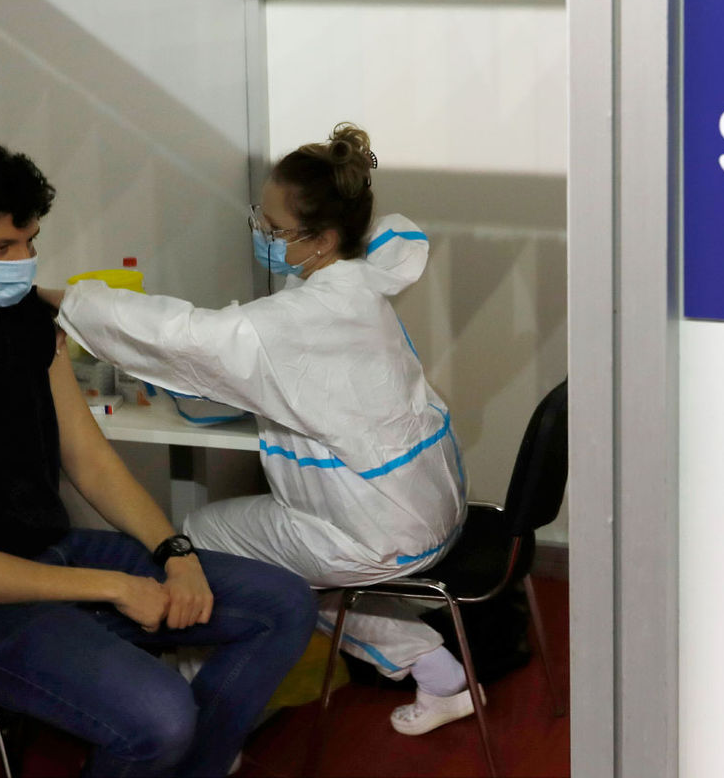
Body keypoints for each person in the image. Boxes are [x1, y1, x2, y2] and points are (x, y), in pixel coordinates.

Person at [53, 123, 473, 735]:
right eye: (261, 220)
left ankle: (204, 717)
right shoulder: (360, 277)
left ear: (324, 240)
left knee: (200, 542)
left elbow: (189, 336)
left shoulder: (308, 312)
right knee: (286, 566)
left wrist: (64, 300)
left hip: (378, 528)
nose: (262, 236)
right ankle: (439, 673)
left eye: (275, 230)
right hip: (430, 503)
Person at [0, 141, 317, 778]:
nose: (23, 262)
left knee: (283, 605)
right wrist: (116, 587)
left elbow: (88, 459)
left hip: (55, 552)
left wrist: (175, 552)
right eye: (1, 248)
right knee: (160, 717)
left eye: (30, 242)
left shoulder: (26, 322)